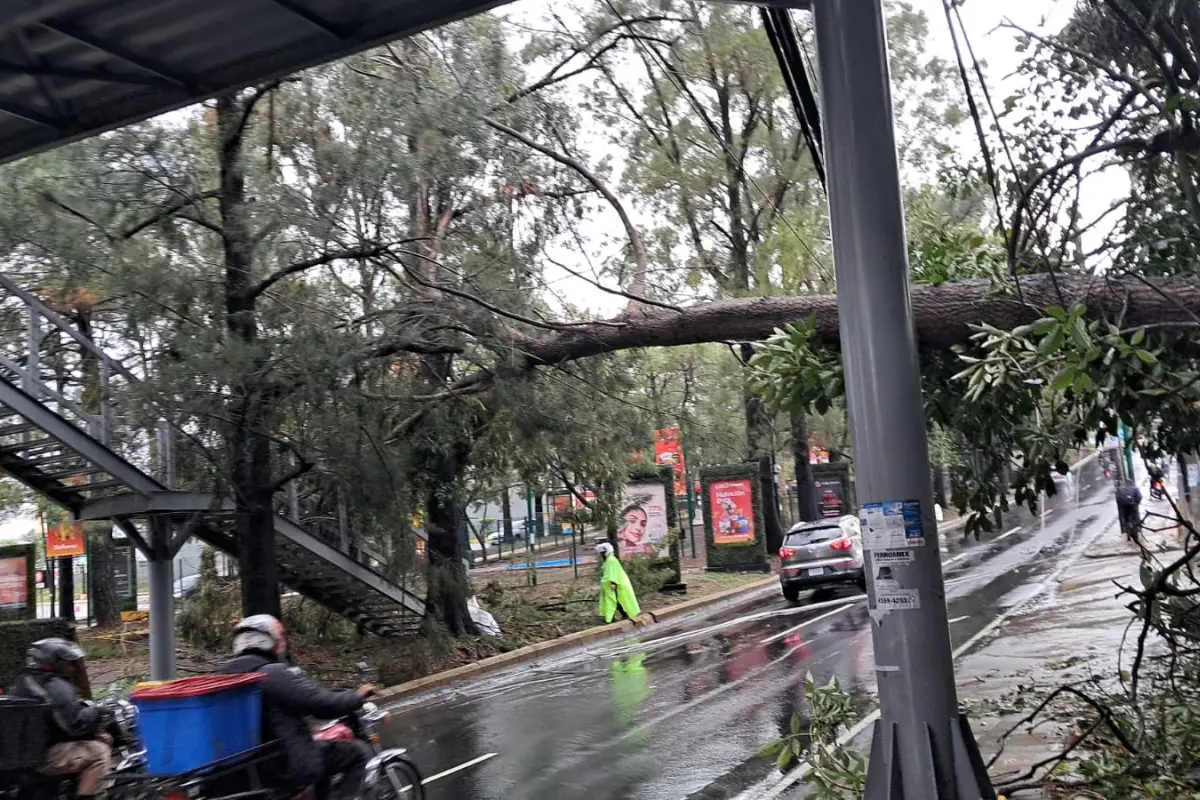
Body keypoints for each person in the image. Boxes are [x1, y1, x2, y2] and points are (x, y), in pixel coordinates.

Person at [217, 615, 375, 800]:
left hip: (242, 769)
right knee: (357, 753)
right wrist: (356, 696)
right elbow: (321, 704)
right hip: (284, 764)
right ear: (271, 642)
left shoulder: (220, 677)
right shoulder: (271, 673)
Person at [9, 638, 113, 800]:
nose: (72, 668)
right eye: (68, 663)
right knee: (99, 752)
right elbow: (74, 727)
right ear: (53, 663)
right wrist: (98, 712)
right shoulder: (54, 686)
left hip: (24, 755)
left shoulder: (22, 682)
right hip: (44, 757)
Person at [597, 542, 641, 624]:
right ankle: (616, 616)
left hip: (614, 584)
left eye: (602, 553)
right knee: (614, 601)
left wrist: (613, 583)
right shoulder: (609, 560)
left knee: (614, 601)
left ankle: (613, 617)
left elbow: (613, 572)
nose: (601, 555)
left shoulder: (611, 560)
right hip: (609, 584)